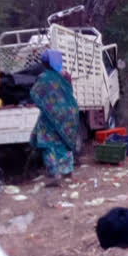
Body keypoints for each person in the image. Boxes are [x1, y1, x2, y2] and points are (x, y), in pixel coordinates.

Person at [30, 50, 80, 188]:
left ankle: (55, 174)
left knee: (47, 144)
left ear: (46, 63)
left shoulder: (44, 77)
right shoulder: (65, 75)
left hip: (53, 115)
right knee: (65, 142)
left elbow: (35, 94)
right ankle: (68, 172)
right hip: (70, 112)